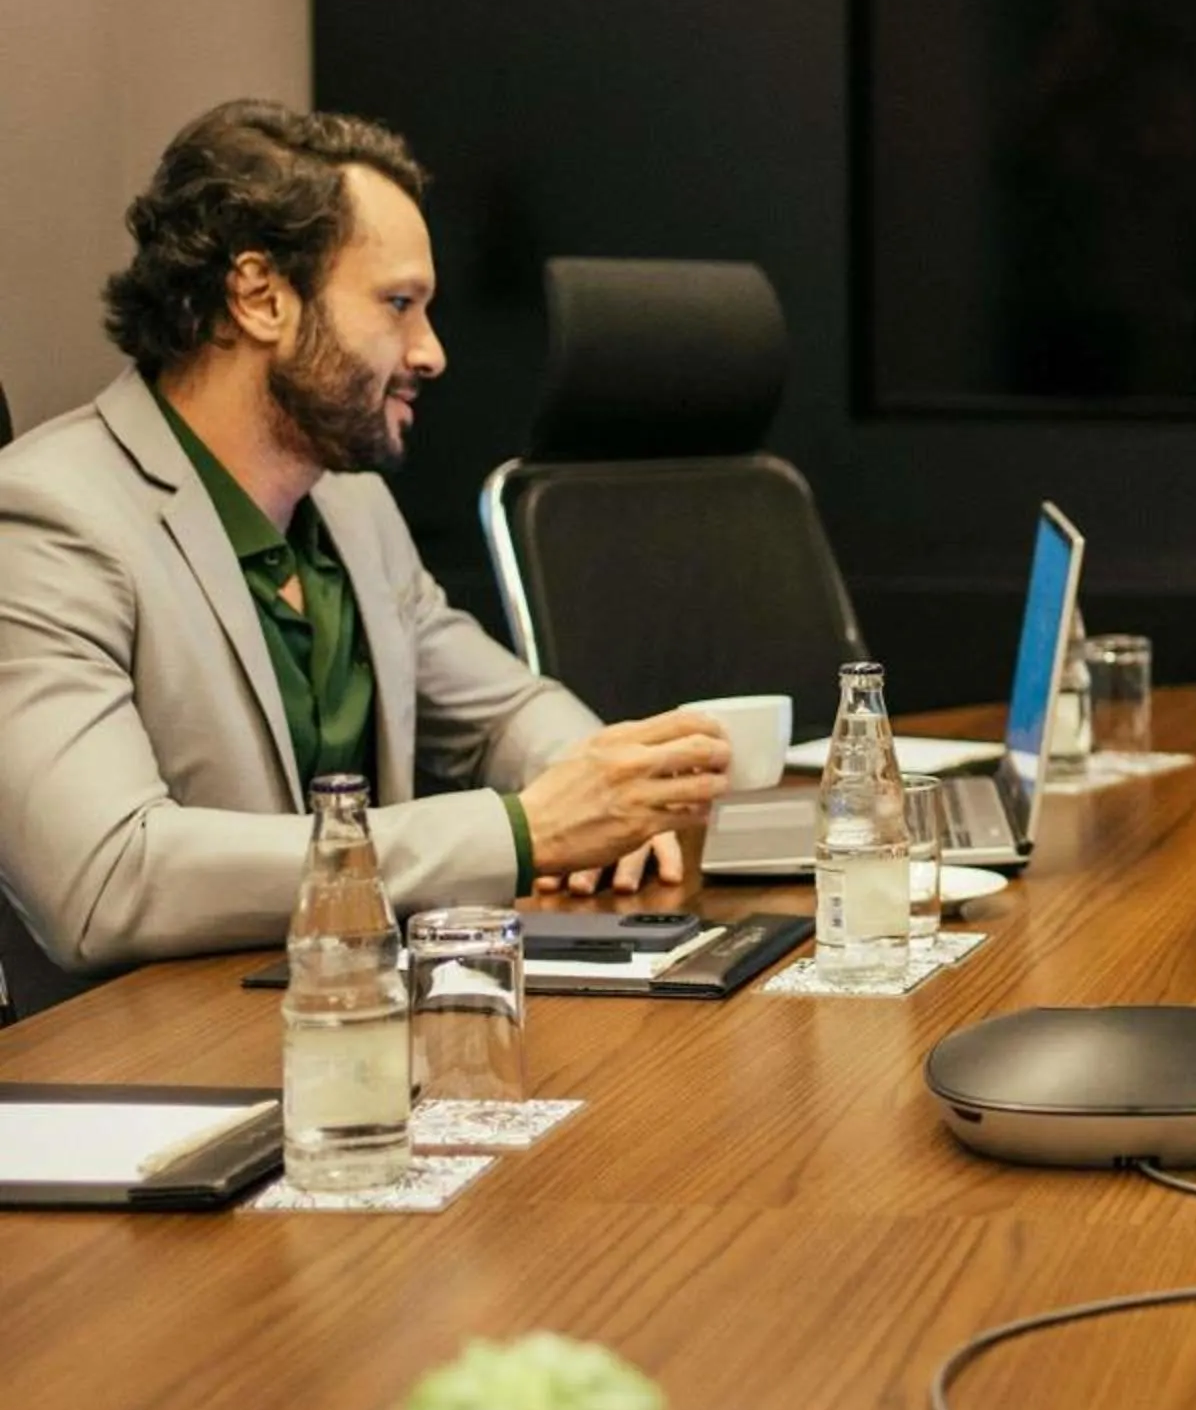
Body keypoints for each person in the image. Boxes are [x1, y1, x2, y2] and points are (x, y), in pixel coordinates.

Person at [0, 100, 730, 1009]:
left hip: (353, 1027)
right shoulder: (48, 515)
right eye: (397, 306)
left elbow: (501, 715)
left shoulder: (348, 503)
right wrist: (522, 830)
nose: (432, 352)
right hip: (149, 1069)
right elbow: (106, 879)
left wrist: (604, 790)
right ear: (260, 296)